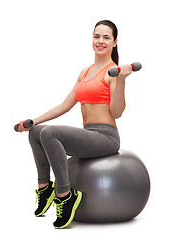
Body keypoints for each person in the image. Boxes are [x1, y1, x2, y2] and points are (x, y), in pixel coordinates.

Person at [17, 20, 132, 229]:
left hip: (106, 138)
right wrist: (33, 121)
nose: (100, 41)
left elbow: (117, 112)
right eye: (97, 36)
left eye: (106, 37)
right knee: (36, 133)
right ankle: (45, 188)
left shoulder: (113, 71)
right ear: (92, 39)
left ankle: (64, 194)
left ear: (115, 42)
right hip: (89, 134)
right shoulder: (85, 72)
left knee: (51, 133)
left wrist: (122, 79)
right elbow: (65, 105)